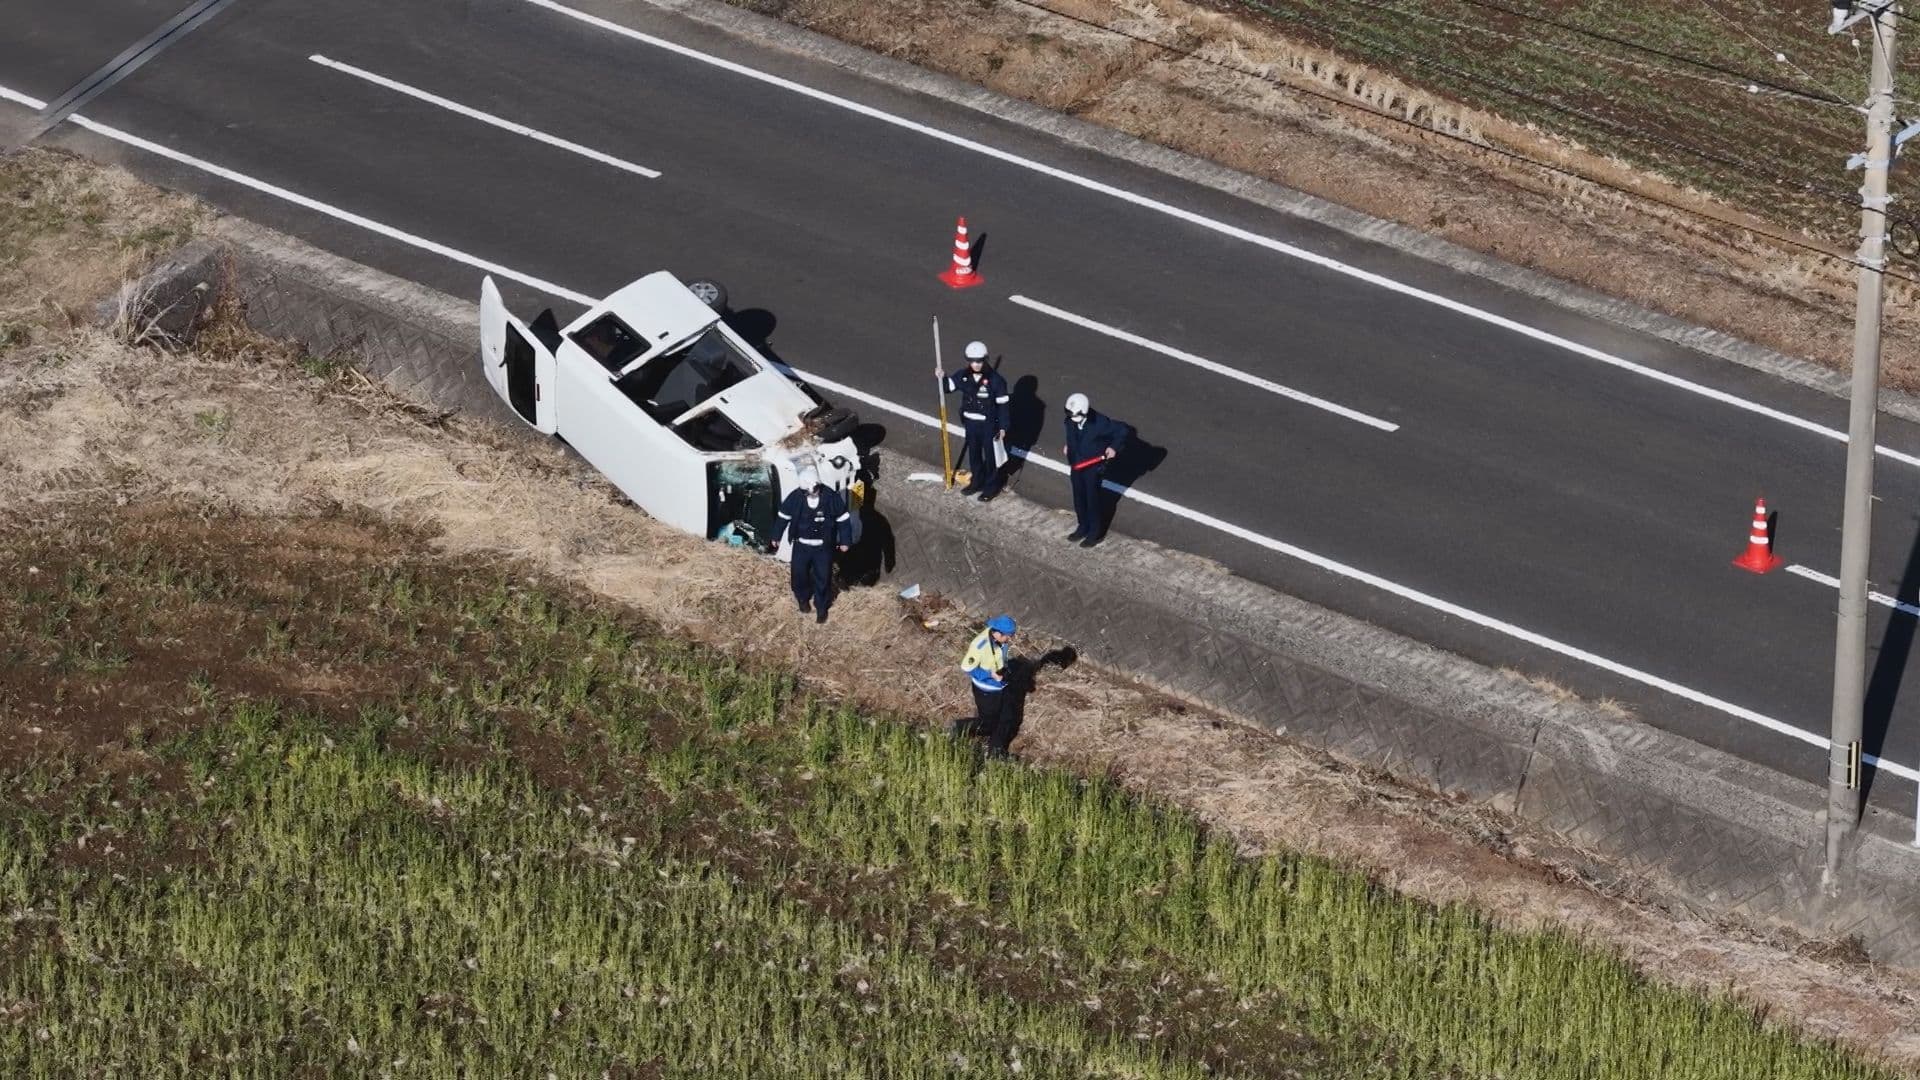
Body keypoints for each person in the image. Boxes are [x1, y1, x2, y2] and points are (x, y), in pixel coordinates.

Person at [772, 465, 851, 624]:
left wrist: (845, 541)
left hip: (823, 547)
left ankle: (821, 608)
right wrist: (776, 536)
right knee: (798, 575)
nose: (807, 493)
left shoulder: (831, 498)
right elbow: (783, 517)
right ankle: (803, 599)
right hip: (801, 546)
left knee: (823, 577)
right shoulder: (795, 497)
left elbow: (843, 520)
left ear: (816, 485)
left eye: (810, 490)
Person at [937, 340, 1010, 501]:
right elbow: (949, 386)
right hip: (971, 423)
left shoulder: (996, 380)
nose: (975, 364)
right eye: (972, 361)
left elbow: (1003, 405)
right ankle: (977, 480)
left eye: (979, 361)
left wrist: (1003, 427)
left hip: (988, 424)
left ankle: (991, 486)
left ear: (985, 359)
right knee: (974, 454)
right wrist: (942, 377)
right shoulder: (963, 376)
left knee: (991, 457)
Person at [1060, 392, 1132, 548]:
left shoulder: (1100, 423)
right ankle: (1082, 526)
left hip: (1092, 467)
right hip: (1076, 464)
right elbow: (1072, 435)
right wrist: (1070, 446)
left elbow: (1122, 430)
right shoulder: (1071, 419)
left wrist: (1113, 447)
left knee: (1092, 499)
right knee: (1079, 497)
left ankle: (1095, 532)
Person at [957, 614, 1018, 756]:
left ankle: (995, 753)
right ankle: (959, 727)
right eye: (1008, 636)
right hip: (986, 690)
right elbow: (966, 667)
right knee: (989, 723)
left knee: (1005, 718)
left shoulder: (998, 639)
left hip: (998, 685)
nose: (1010, 639)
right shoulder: (980, 646)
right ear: (998, 633)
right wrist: (989, 674)